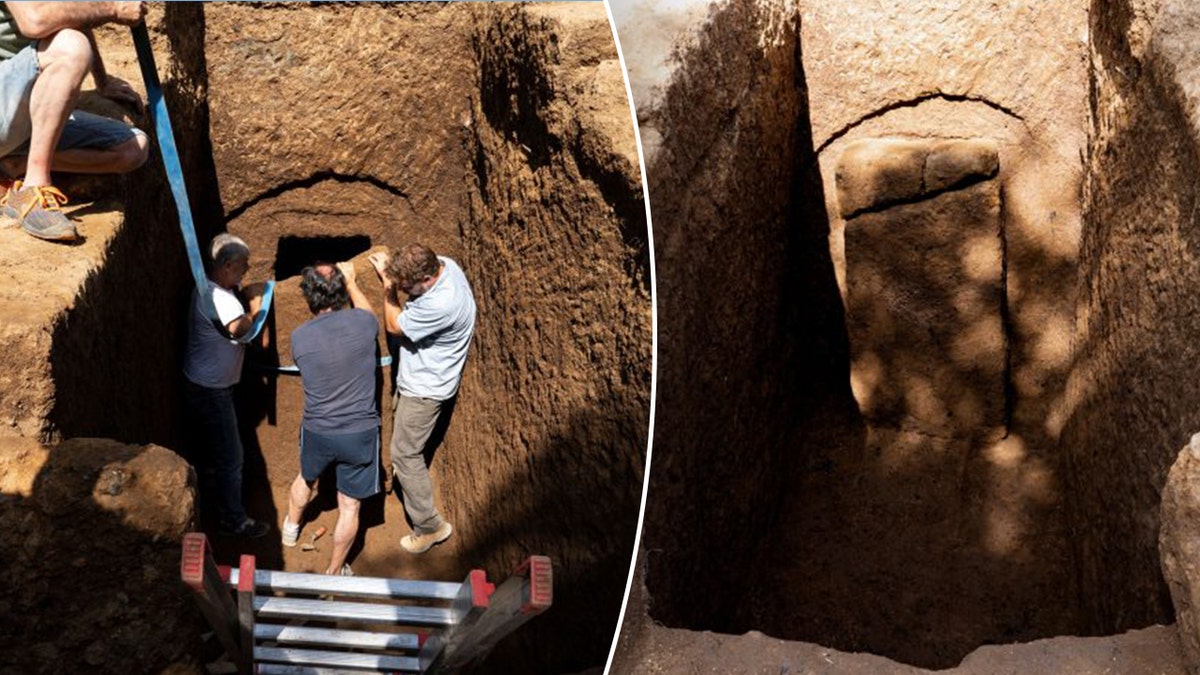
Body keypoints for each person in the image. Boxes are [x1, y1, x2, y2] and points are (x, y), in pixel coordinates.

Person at [0, 2, 150, 242]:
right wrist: (112, 9)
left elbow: (72, 15)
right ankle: (33, 189)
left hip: (16, 116)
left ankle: (14, 166)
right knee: (70, 47)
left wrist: (103, 80)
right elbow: (35, 21)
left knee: (134, 149)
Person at [369, 243, 476, 554]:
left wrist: (389, 291)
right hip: (421, 377)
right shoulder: (446, 264)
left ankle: (430, 527)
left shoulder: (441, 304)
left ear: (427, 279)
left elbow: (393, 325)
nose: (404, 290)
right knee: (405, 446)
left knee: (405, 454)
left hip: (425, 390)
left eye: (408, 286)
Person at [282, 261, 382, 576]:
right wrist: (352, 282)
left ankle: (290, 530)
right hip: (359, 432)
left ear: (309, 298)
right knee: (350, 506)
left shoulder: (299, 337)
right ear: (340, 293)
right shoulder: (364, 324)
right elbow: (369, 315)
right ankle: (334, 571)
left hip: (318, 429)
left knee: (305, 478)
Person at [183, 232, 270, 539]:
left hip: (200, 383)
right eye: (243, 266)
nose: (246, 271)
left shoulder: (207, 288)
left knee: (212, 452)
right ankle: (232, 520)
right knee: (233, 458)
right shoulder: (222, 301)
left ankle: (209, 495)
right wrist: (258, 305)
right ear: (229, 265)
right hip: (212, 391)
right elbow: (243, 331)